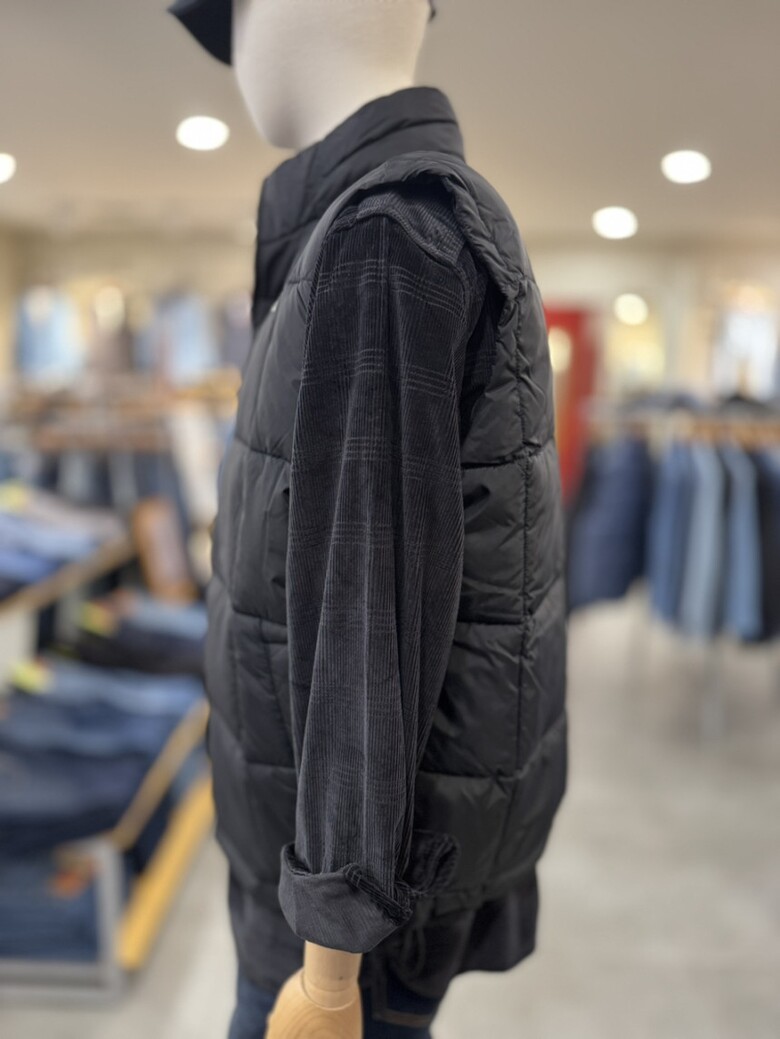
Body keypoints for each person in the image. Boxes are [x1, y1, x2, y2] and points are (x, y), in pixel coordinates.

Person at [168, 1, 568, 1036]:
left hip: (345, 945)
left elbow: (363, 626)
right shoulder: (381, 224)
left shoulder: (385, 235)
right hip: (339, 903)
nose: (233, 50)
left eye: (230, 14)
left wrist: (330, 968)